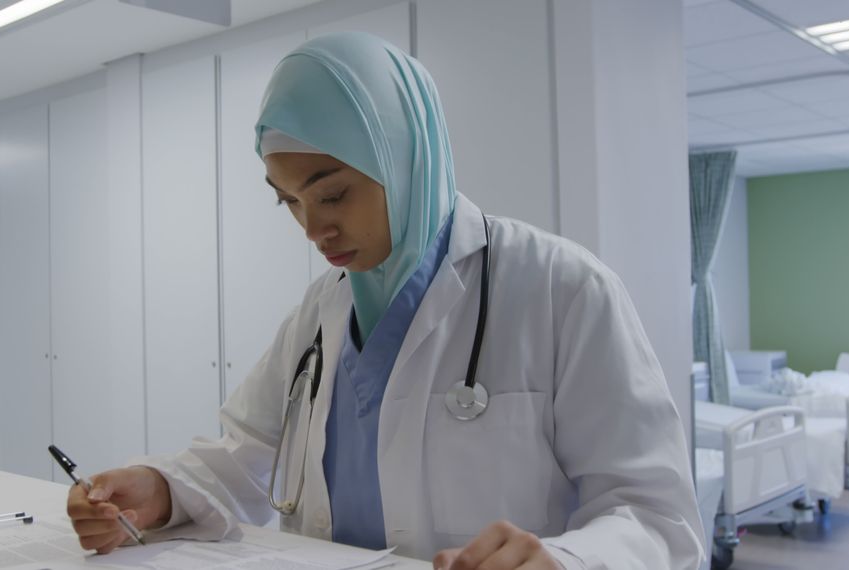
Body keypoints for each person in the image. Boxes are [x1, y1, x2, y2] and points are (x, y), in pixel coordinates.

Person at [66, 32, 703, 569]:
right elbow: (246, 458)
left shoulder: (563, 290)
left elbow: (657, 518)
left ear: (405, 157)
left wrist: (565, 561)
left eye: (333, 194)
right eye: (289, 201)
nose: (313, 229)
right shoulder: (321, 314)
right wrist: (161, 489)